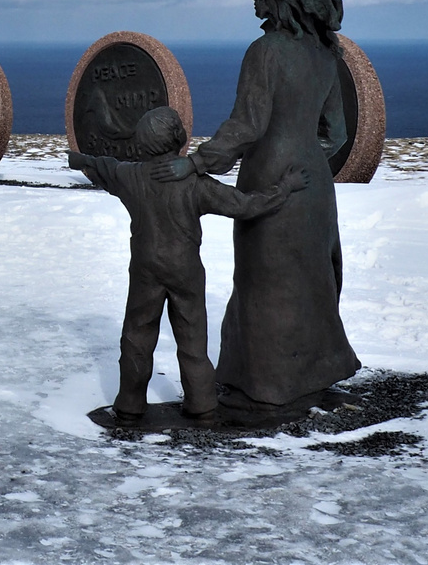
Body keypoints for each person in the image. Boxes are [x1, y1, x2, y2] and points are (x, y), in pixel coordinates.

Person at [153, 0, 362, 411]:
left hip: (269, 180)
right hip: (314, 187)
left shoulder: (264, 52)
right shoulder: (327, 56)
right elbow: (338, 135)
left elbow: (247, 126)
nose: (252, 1)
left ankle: (268, 382)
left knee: (265, 283)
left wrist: (197, 163)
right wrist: (306, 159)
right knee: (312, 281)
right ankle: (315, 372)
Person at [69, 106, 308, 420]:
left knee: (137, 336)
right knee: (192, 340)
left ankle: (129, 403)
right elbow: (246, 205)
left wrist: (80, 159)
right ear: (177, 139)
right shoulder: (195, 183)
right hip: (185, 271)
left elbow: (102, 166)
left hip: (145, 269)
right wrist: (286, 187)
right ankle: (201, 403)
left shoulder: (130, 176)